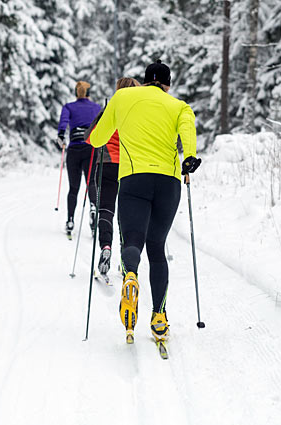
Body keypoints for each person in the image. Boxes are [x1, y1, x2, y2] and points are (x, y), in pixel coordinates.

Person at [88, 60, 202, 344]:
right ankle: (159, 317)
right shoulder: (179, 106)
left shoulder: (123, 96)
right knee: (157, 248)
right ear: (168, 84)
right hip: (168, 182)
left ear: (144, 80)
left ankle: (130, 276)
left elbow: (97, 138)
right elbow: (188, 132)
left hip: (133, 179)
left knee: (133, 241)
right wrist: (188, 157)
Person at [93, 77, 141, 278]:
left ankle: (106, 246)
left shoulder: (109, 109)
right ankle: (125, 256)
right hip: (131, 167)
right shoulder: (141, 112)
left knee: (105, 209)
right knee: (126, 214)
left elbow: (93, 138)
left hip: (106, 164)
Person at [58, 81, 101, 238]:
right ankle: (93, 207)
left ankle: (70, 220)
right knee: (92, 183)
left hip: (74, 149)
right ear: (89, 93)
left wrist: (61, 138)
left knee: (74, 187)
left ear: (76, 93)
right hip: (91, 149)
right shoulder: (97, 108)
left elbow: (63, 125)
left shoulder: (68, 107)